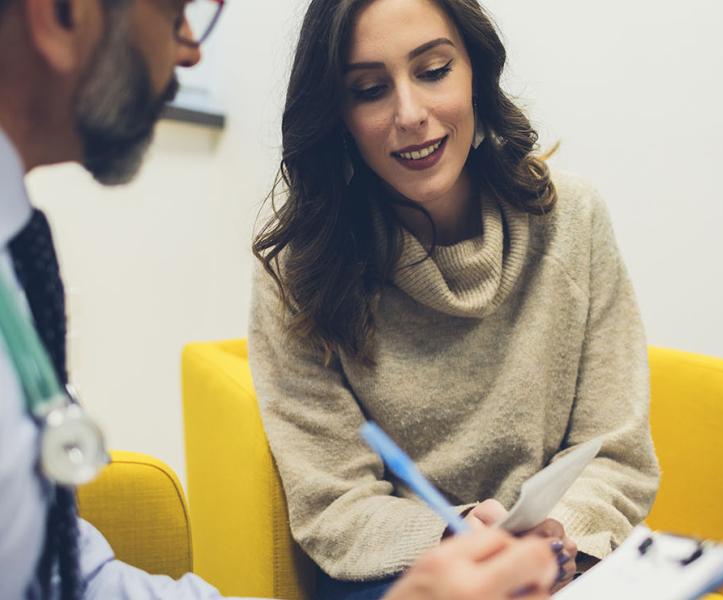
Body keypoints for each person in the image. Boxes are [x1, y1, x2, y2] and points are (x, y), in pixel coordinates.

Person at [0, 0, 560, 598]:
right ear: (60, 13)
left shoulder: (17, 249)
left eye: (433, 70)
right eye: (173, 11)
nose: (192, 48)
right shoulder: (299, 269)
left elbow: (69, 578)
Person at [248, 0, 662, 598]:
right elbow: (334, 502)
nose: (410, 114)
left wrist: (557, 535)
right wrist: (450, 536)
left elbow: (617, 451)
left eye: (434, 71)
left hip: (566, 562)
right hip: (403, 571)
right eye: (368, 89)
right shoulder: (300, 267)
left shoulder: (573, 219)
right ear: (337, 113)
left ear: (475, 73)